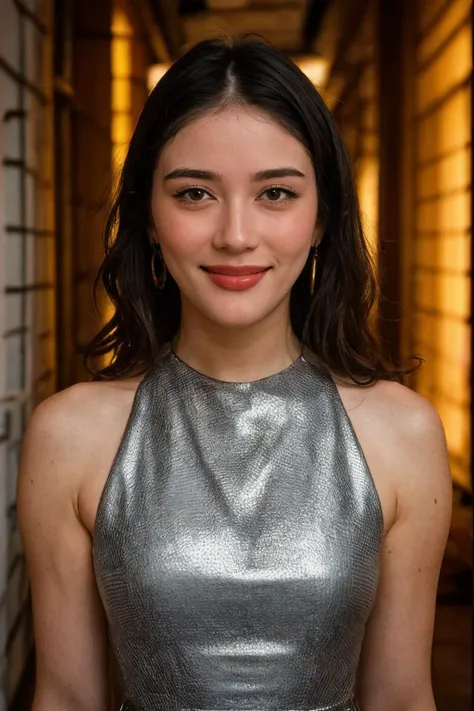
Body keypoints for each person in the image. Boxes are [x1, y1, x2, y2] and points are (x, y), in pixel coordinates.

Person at [18, 37, 452, 711]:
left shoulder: (403, 432)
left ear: (321, 219)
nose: (235, 233)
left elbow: (399, 696)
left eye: (276, 192)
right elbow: (68, 696)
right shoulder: (70, 433)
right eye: (195, 193)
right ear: (150, 220)